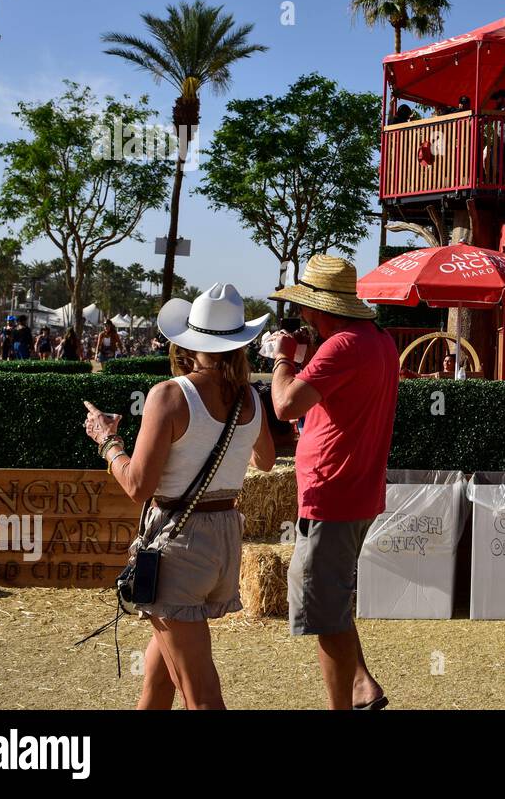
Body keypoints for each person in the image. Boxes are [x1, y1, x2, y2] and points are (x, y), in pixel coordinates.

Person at [82, 283, 274, 709]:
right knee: (159, 677)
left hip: (179, 542)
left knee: (201, 694)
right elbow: (264, 460)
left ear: (191, 339)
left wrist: (107, 442)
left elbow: (137, 486)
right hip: (224, 538)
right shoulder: (250, 398)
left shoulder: (170, 394)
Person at [266, 254, 400, 710]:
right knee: (332, 599)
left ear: (318, 308)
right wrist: (307, 354)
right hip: (355, 490)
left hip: (332, 494)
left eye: (304, 308)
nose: (301, 317)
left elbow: (285, 406)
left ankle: (343, 703)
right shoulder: (377, 340)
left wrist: (283, 359)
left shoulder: (342, 345)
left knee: (322, 610)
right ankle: (362, 685)